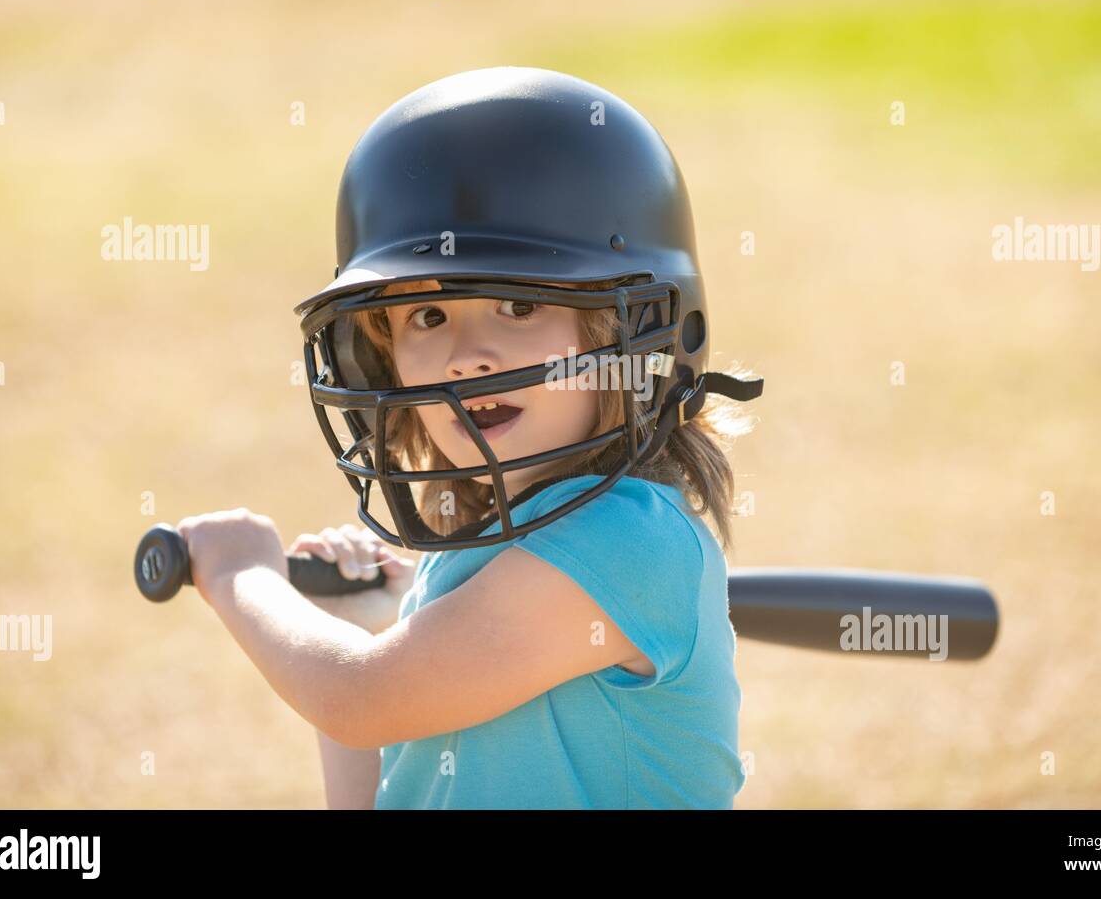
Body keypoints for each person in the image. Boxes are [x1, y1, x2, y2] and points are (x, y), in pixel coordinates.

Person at [177, 67, 763, 808]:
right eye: (427, 317)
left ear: (635, 334)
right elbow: (368, 734)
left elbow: (358, 699)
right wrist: (365, 629)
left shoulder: (630, 543)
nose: (467, 355)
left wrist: (240, 576)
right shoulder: (483, 562)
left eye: (518, 305)